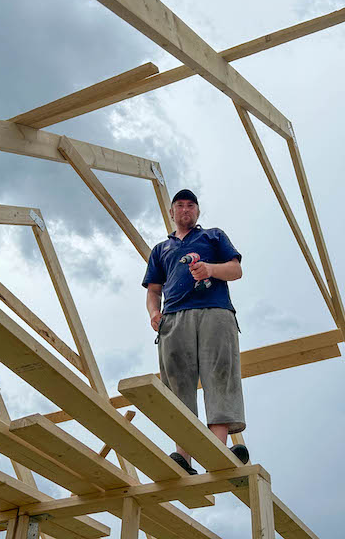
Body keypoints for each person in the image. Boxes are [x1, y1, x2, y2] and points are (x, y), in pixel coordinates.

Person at [142, 189, 248, 475]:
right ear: (171, 212)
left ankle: (218, 447)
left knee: (220, 375)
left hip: (216, 311)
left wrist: (210, 270)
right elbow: (154, 291)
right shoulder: (160, 250)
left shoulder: (213, 236)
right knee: (177, 382)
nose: (185, 209)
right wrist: (154, 313)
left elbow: (236, 270)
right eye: (180, 205)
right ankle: (183, 457)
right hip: (174, 317)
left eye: (191, 205)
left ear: (197, 212)